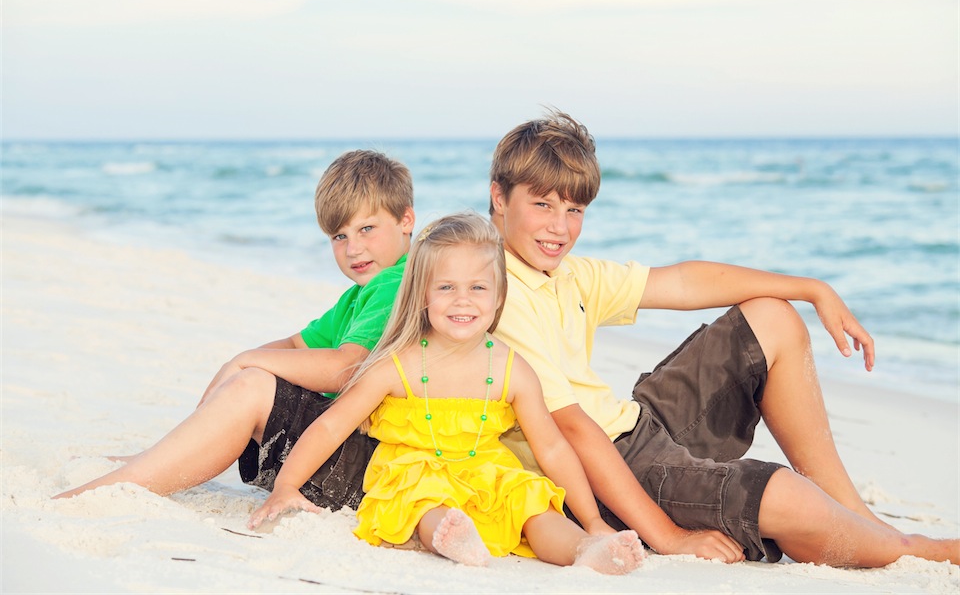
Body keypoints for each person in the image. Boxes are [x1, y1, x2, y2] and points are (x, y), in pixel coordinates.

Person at [486, 110, 960, 567]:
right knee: (792, 501)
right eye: (542, 204)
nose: (560, 227)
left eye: (574, 209)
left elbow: (684, 283)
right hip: (599, 476)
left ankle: (860, 518)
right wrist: (668, 537)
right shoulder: (494, 291)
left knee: (773, 317)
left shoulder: (566, 274)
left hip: (631, 426)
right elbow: (570, 429)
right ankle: (910, 549)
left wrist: (812, 288)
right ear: (499, 199)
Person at [247, 213, 646, 574]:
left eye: (477, 287)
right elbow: (332, 426)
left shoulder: (511, 369)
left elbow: (554, 449)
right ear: (423, 294)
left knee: (531, 503)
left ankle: (585, 547)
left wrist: (592, 518)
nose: (463, 300)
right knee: (426, 502)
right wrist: (287, 485)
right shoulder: (397, 366)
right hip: (415, 470)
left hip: (486, 470)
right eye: (446, 287)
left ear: (499, 296)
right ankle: (451, 538)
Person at [55, 150, 416, 509]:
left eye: (366, 229)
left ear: (405, 220)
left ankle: (121, 482)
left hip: (375, 468)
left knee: (252, 384)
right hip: (346, 449)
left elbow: (345, 368)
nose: (353, 248)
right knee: (251, 375)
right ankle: (158, 459)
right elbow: (295, 344)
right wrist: (245, 364)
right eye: (339, 236)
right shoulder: (363, 292)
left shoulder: (395, 283)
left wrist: (246, 362)